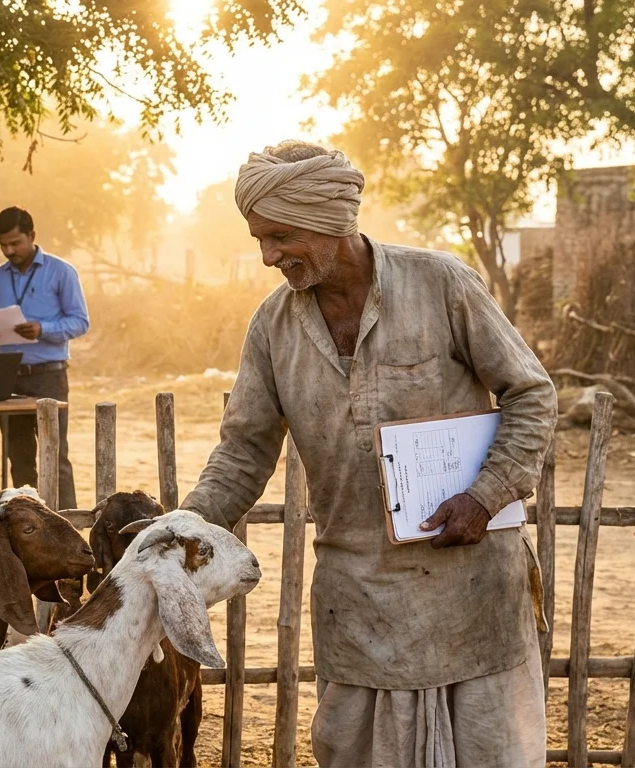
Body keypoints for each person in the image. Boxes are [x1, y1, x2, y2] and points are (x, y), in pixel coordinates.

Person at [180, 141, 556, 766]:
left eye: (281, 236)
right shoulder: (272, 326)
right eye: (260, 239)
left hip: (470, 585)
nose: (269, 257)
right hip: (358, 598)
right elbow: (243, 453)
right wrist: (182, 529)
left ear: (331, 221)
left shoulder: (441, 283)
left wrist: (485, 496)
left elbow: (531, 394)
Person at [0, 207, 88, 510]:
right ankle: (28, 526)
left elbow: (80, 322)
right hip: (8, 375)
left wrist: (43, 329)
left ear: (32, 236)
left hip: (48, 374)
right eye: (3, 245)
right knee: (19, 456)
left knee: (55, 454)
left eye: (16, 243)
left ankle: (66, 522)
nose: (9, 250)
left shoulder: (61, 271)